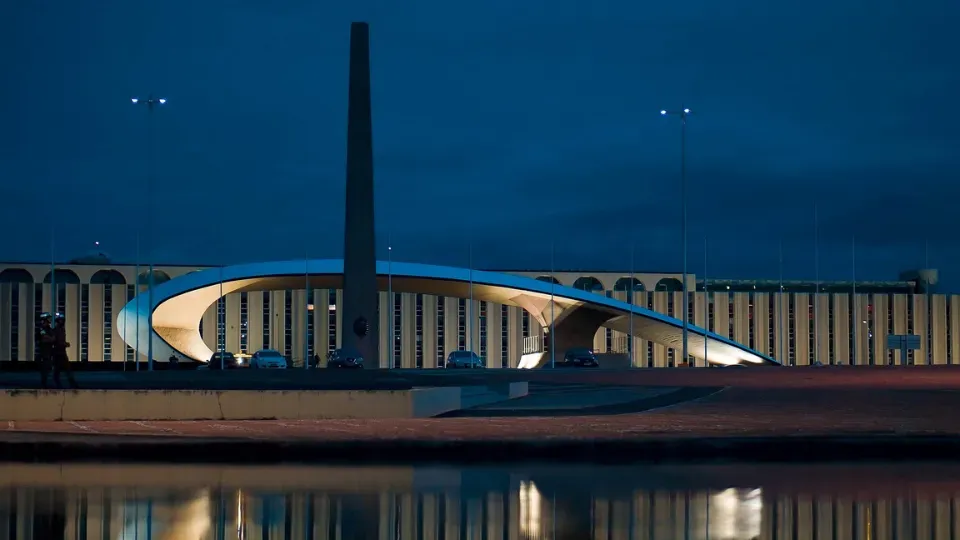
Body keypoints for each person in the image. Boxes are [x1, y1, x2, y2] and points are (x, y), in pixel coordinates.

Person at [52, 312, 78, 389]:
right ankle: (59, 385)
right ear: (58, 321)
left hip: (62, 352)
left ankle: (72, 384)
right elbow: (56, 341)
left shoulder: (62, 329)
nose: (62, 321)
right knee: (58, 370)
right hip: (58, 353)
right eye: (61, 320)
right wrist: (65, 344)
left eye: (63, 320)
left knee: (67, 369)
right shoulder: (56, 330)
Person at [35, 312, 55, 388]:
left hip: (49, 351)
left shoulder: (49, 329)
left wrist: (48, 339)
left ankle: (46, 382)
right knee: (44, 368)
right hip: (44, 351)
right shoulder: (41, 329)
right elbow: (45, 337)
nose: (50, 320)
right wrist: (48, 339)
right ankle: (44, 383)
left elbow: (52, 338)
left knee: (49, 367)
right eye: (48, 318)